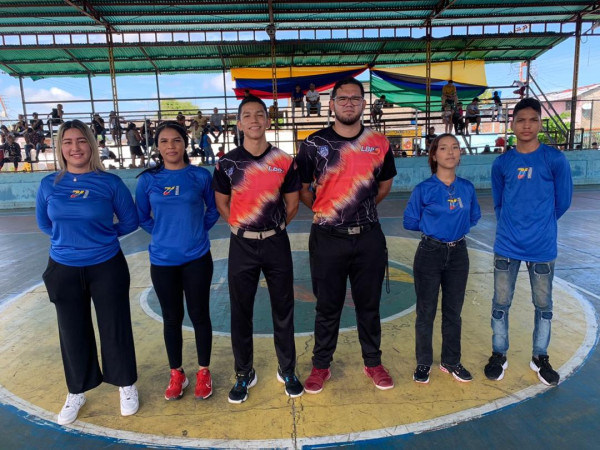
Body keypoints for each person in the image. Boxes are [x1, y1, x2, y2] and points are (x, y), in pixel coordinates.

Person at [296, 77, 397, 394]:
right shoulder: (313, 144)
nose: (349, 103)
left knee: (369, 306)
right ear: (332, 104)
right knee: (328, 307)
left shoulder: (379, 143)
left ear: (364, 104)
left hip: (368, 239)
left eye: (355, 98)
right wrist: (329, 210)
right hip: (327, 238)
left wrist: (359, 208)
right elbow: (302, 188)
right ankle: (321, 365)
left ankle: (373, 362)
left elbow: (384, 184)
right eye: (343, 98)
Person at [35, 119, 139, 425]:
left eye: (81, 141)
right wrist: (70, 242)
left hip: (106, 265)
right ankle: (77, 390)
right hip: (63, 268)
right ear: (60, 148)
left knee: (115, 326)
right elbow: (45, 223)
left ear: (91, 145)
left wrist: (101, 237)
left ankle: (126, 384)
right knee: (72, 331)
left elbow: (130, 221)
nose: (75, 147)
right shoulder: (49, 184)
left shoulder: (110, 183)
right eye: (68, 142)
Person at [212, 95, 303, 404]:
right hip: (242, 245)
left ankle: (287, 370)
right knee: (241, 312)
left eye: (259, 114)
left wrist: (272, 228)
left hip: (276, 243)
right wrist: (243, 228)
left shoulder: (284, 160)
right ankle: (244, 372)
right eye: (247, 115)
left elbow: (292, 204)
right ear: (239, 123)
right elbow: (222, 204)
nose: (254, 119)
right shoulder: (227, 163)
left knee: (284, 309)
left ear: (267, 120)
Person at [484, 98, 573, 386]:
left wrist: (540, 224)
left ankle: (540, 356)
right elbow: (499, 202)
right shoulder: (503, 163)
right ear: (512, 124)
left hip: (542, 247)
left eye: (533, 120)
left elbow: (563, 201)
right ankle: (499, 354)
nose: (526, 125)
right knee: (500, 303)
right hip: (507, 245)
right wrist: (513, 225)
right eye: (521, 120)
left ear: (540, 124)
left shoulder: (554, 159)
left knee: (543, 305)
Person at [136, 121, 219, 401]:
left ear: (185, 143)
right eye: (164, 141)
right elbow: (142, 217)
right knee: (171, 318)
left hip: (197, 258)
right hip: (163, 261)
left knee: (200, 315)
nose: (170, 146)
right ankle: (177, 373)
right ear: (157, 147)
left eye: (176, 140)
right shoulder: (148, 180)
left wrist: (196, 231)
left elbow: (213, 209)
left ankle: (204, 371)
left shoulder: (200, 176)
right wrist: (163, 234)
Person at [403, 133, 481, 384]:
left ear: (460, 154)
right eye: (444, 148)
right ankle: (423, 362)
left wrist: (452, 231)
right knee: (426, 311)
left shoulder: (467, 188)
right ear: (434, 155)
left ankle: (451, 360)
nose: (450, 152)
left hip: (458, 254)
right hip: (429, 253)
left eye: (455, 147)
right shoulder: (423, 189)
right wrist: (434, 229)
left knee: (453, 312)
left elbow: (473, 217)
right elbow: (410, 221)